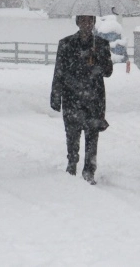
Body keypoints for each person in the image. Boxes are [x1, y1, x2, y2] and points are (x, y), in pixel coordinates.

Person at [50, 15, 113, 185]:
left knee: (92, 135)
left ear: (93, 23)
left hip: (94, 98)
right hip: (72, 96)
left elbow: (108, 71)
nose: (87, 24)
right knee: (72, 133)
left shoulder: (101, 44)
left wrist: (97, 57)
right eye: (83, 21)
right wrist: (56, 96)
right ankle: (72, 164)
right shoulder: (66, 44)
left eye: (90, 21)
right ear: (77, 23)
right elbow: (59, 71)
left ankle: (89, 170)